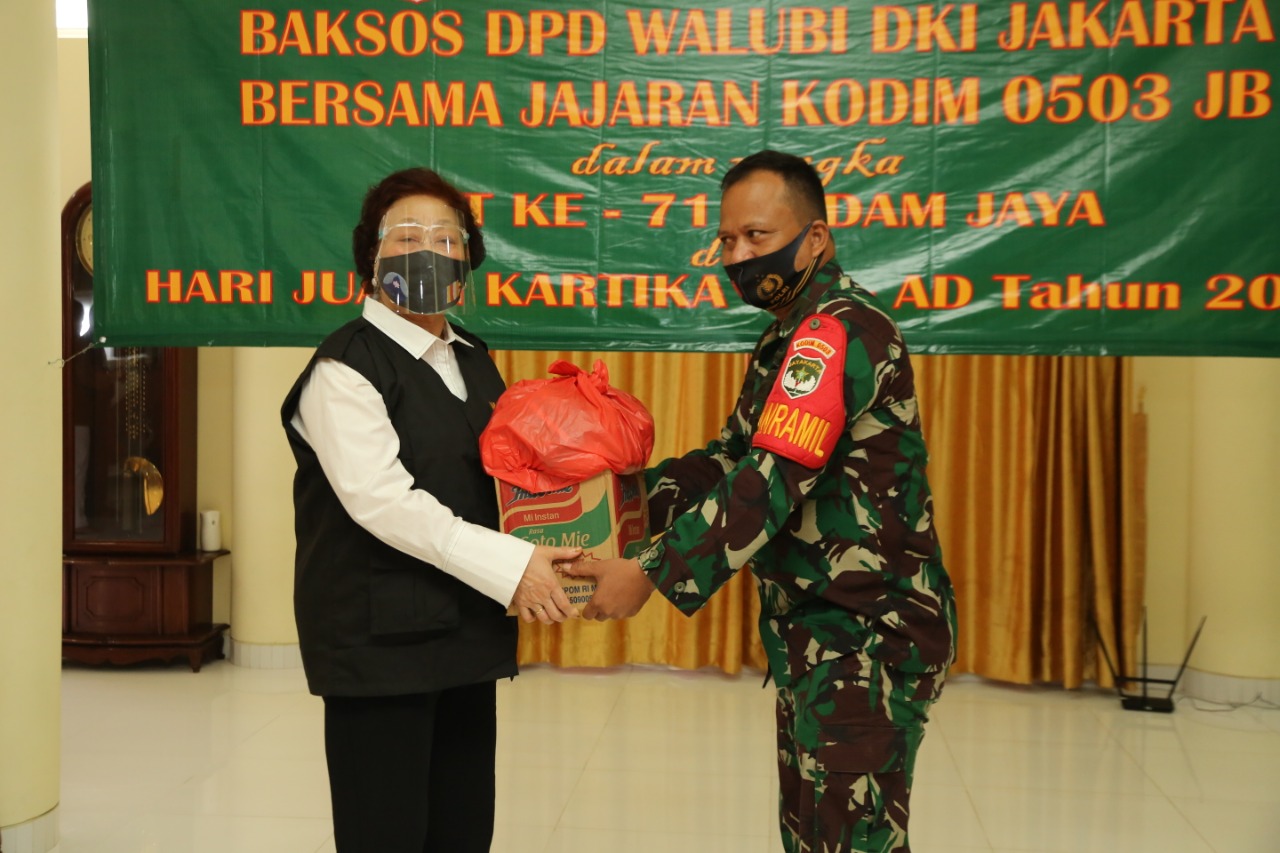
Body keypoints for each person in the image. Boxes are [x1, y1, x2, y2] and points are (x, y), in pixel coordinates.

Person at [569, 150, 957, 853]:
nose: (739, 256)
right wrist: (615, 503)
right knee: (811, 836)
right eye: (727, 240)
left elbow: (771, 479)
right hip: (819, 638)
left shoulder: (837, 332)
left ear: (816, 238)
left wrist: (651, 570)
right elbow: (731, 459)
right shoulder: (789, 333)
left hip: (864, 638)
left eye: (757, 236)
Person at [280, 166, 581, 853]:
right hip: (379, 648)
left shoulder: (474, 357)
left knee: (463, 830)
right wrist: (514, 565)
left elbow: (500, 477)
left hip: (465, 632)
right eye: (407, 235)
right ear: (371, 255)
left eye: (447, 237)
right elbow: (383, 501)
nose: (429, 250)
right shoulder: (343, 368)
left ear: (468, 262)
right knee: (386, 835)